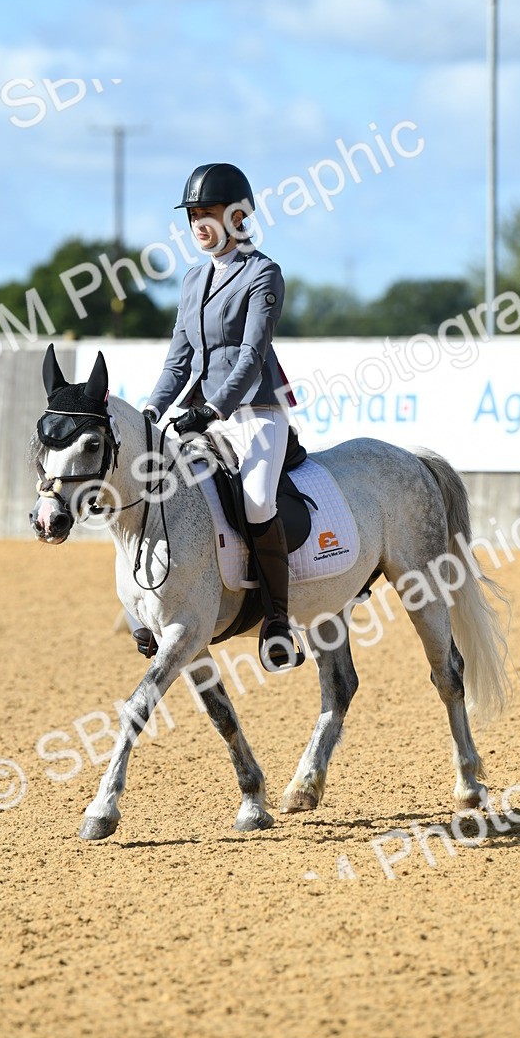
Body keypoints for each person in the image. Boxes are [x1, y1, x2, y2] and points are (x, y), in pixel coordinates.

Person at [142, 161, 302, 671]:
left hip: (254, 410)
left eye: (207, 214)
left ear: (238, 217)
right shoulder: (192, 281)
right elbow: (178, 361)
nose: (198, 225)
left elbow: (253, 353)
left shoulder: (263, 272)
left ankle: (277, 621)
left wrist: (214, 409)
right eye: (193, 216)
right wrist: (151, 410)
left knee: (256, 503)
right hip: (201, 414)